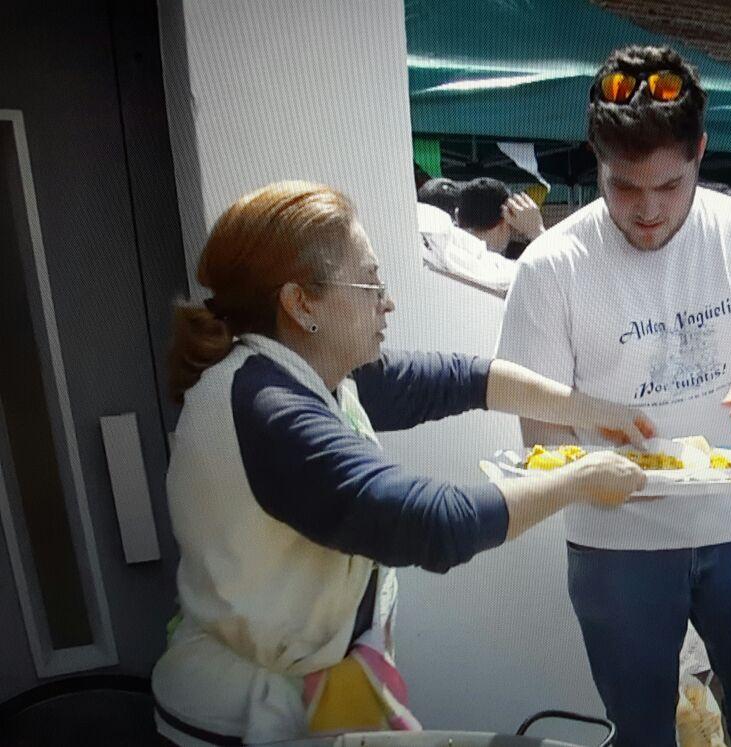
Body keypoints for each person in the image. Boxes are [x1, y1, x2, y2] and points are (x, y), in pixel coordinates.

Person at [152, 181, 652, 745]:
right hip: (240, 724)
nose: (386, 302)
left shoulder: (315, 374)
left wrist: (592, 410)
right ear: (301, 304)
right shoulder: (269, 409)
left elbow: (465, 379)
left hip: (304, 694)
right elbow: (429, 522)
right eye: (370, 283)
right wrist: (579, 478)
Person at [495, 45, 731, 747]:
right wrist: (580, 469)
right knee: (640, 729)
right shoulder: (552, 266)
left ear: (700, 153)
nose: (648, 211)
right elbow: (539, 432)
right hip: (617, 537)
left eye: (670, 186)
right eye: (624, 187)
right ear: (595, 159)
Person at [457, 177, 547, 259]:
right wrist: (537, 231)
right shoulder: (503, 267)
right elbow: (552, 265)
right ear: (505, 218)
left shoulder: (450, 250)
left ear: (458, 215)